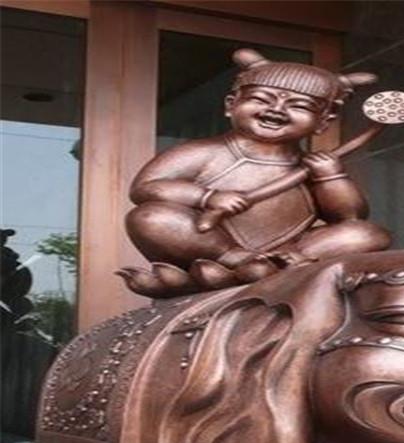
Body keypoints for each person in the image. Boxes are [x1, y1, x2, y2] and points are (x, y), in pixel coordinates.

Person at [121, 48, 390, 297]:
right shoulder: (203, 152)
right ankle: (234, 259)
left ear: (323, 122)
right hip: (213, 247)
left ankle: (284, 261)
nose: (276, 110)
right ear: (231, 104)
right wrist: (207, 196)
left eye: (299, 106)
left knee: (367, 234)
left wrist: (331, 176)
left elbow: (349, 217)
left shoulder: (313, 166)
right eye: (261, 99)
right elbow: (146, 187)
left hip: (289, 249)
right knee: (151, 217)